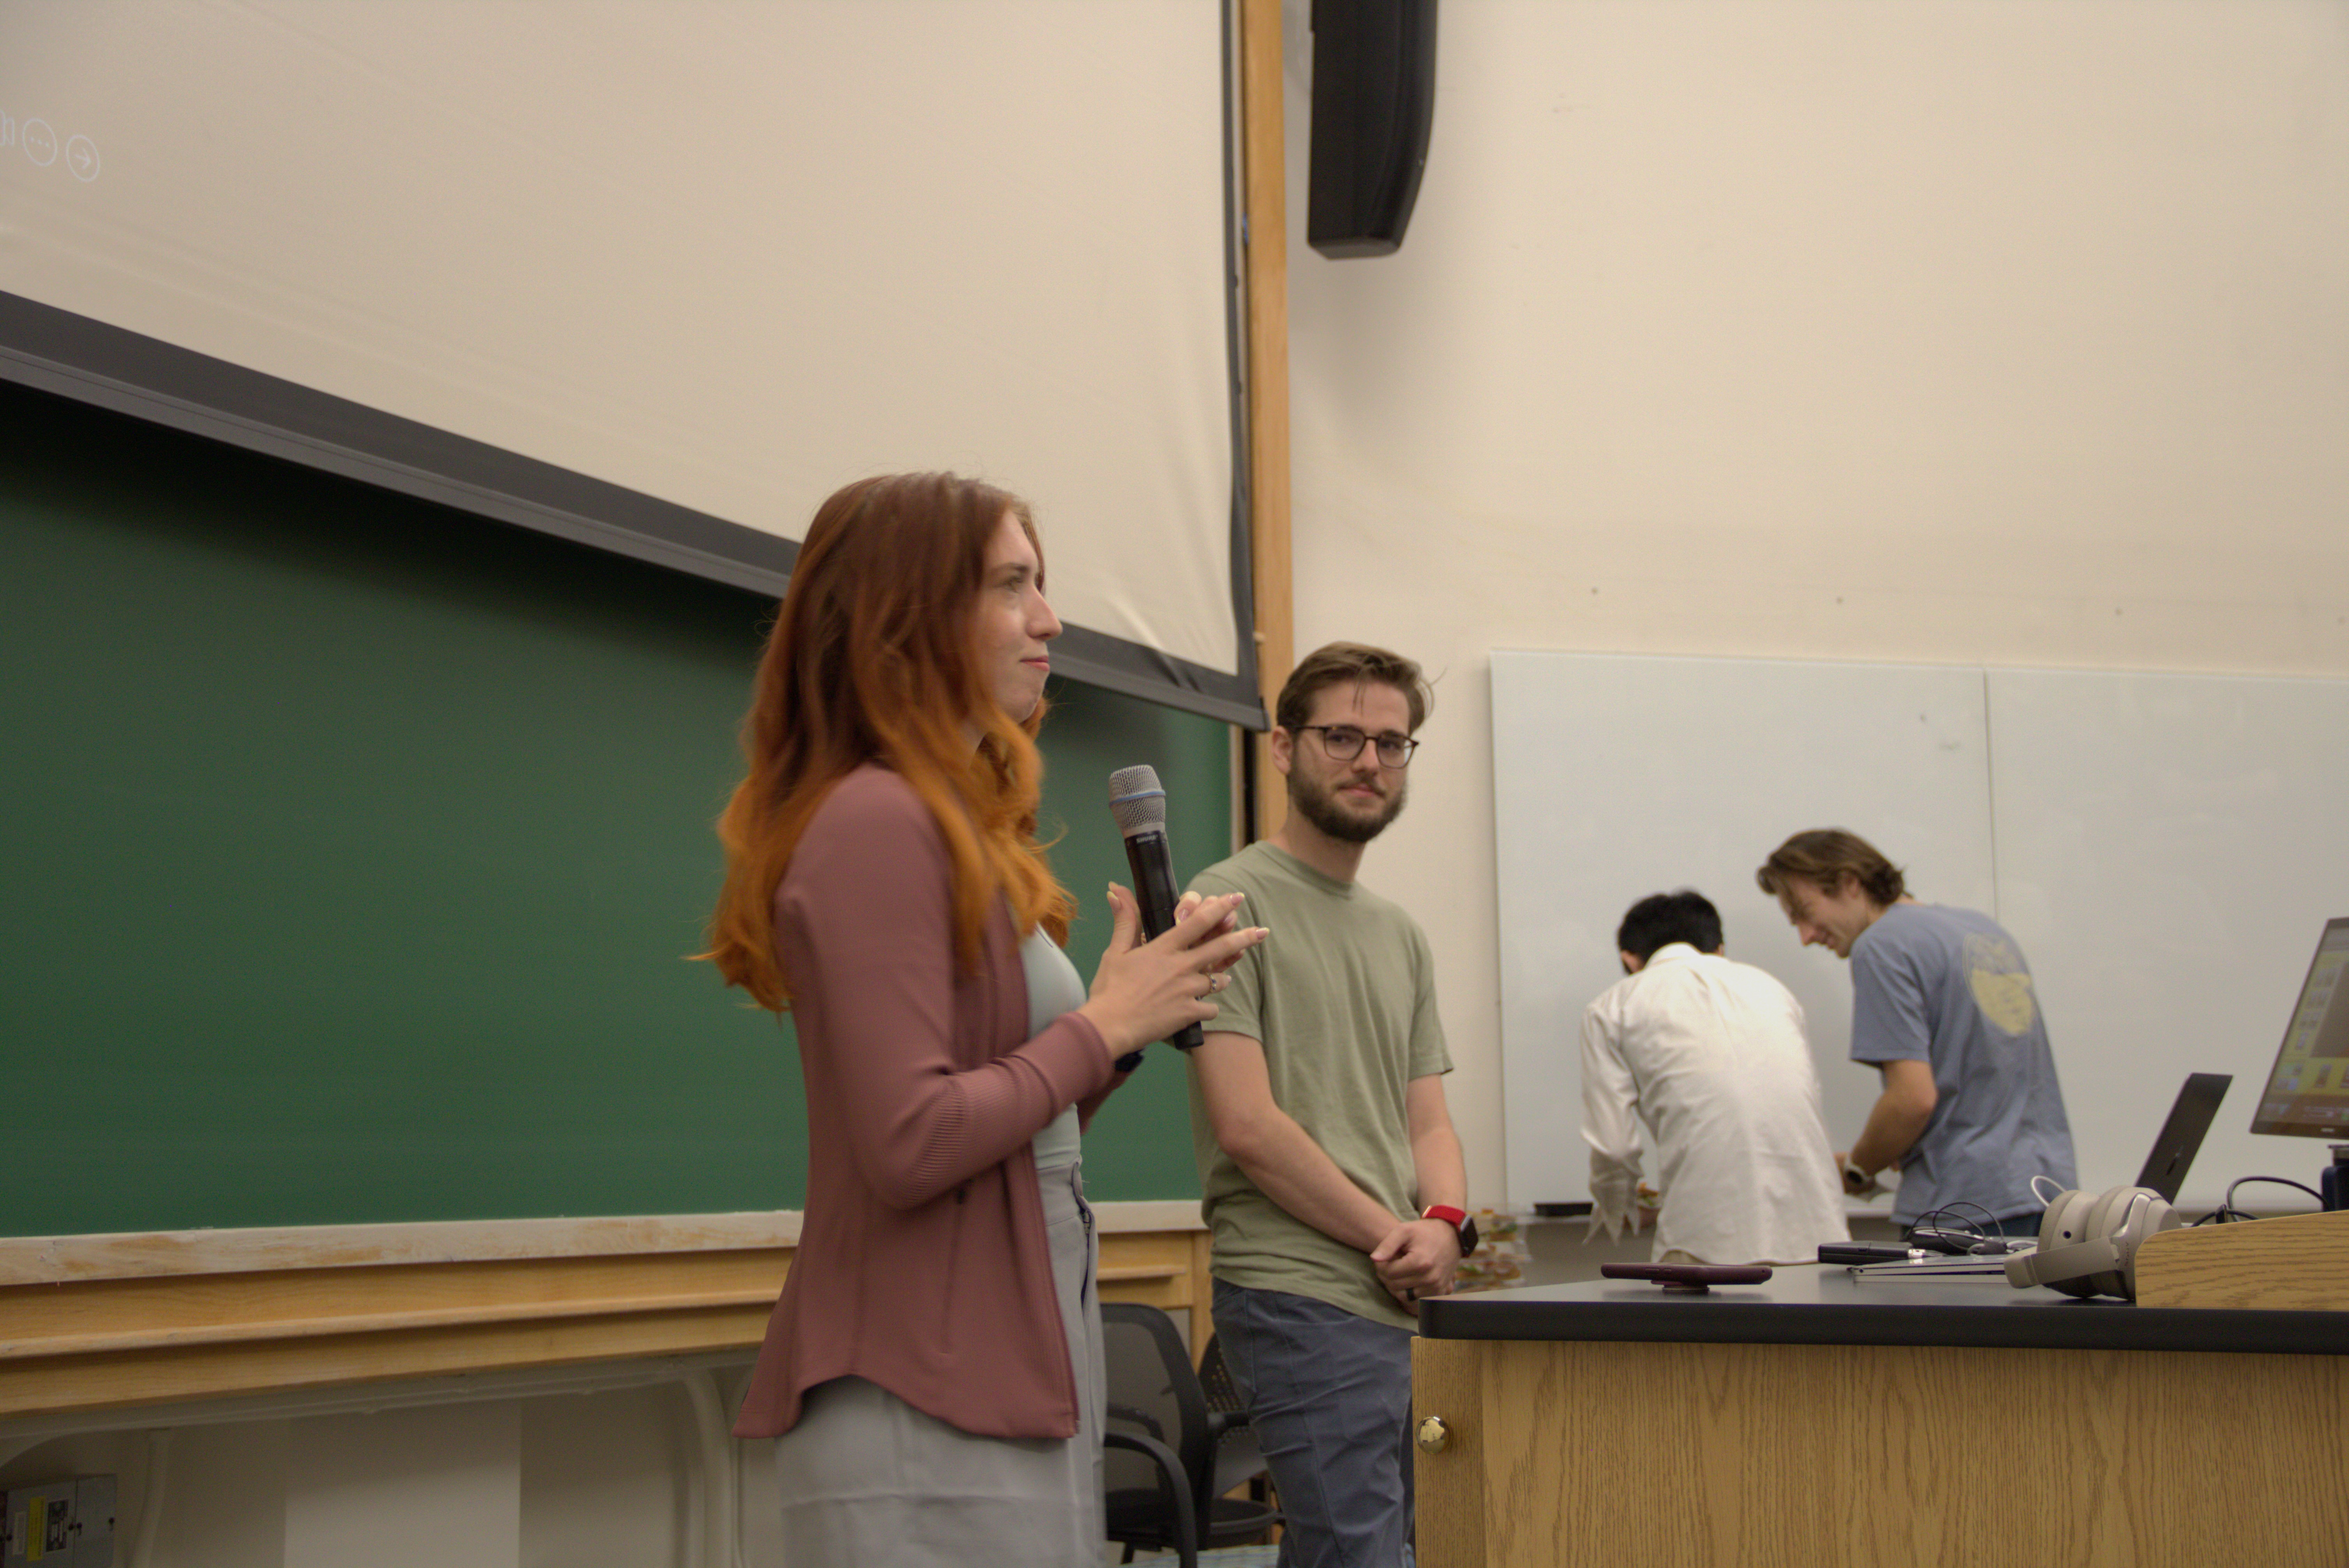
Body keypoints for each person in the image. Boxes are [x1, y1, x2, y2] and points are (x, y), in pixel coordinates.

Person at [702, 473, 1265, 1566]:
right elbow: (912, 1141)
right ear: (908, 613)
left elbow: (1016, 1129)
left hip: (1007, 1363)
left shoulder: (948, 820)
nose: (1051, 619)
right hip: (924, 1386)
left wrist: (1123, 1016)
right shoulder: (874, 819)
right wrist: (1100, 1026)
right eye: (1014, 586)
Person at [1185, 641, 1465, 1568]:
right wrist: (1395, 1238)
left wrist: (1445, 1224)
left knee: (1392, 1548)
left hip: (1399, 1293)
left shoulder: (1400, 932)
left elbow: (1426, 1120)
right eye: (1341, 735)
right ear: (1281, 746)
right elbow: (1248, 1125)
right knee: (1357, 1552)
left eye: (1392, 742)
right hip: (1299, 1289)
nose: (1369, 761)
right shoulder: (1224, 901)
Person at [1756, 828, 2076, 1237]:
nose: (1805, 936)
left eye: (1804, 911)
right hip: (2052, 1198)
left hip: (1963, 1209)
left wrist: (1857, 1167)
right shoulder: (1983, 930)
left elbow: (1913, 1099)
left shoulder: (1881, 946)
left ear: (1850, 882)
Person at [1580, 889, 1849, 1265]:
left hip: (1703, 1237)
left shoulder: (1613, 1006)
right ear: (1719, 949)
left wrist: (1615, 1206)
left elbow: (1615, 1147)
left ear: (1630, 958)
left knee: (1703, 1325)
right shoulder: (1773, 989)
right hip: (1818, 1231)